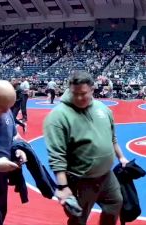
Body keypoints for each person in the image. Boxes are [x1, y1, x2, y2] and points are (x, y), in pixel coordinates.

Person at [43, 71, 129, 225]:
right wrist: (63, 186)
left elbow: (112, 138)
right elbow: (57, 156)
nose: (78, 98)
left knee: (115, 203)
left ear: (92, 89)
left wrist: (121, 157)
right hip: (80, 180)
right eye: (74, 93)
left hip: (106, 176)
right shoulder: (58, 117)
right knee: (78, 218)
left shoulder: (102, 108)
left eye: (83, 93)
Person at [0, 80, 27, 225]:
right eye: (3, 107)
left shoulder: (5, 111)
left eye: (9, 108)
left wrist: (19, 149)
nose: (7, 112)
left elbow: (14, 136)